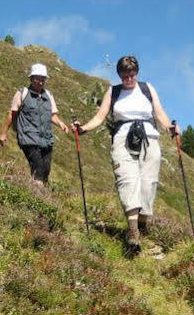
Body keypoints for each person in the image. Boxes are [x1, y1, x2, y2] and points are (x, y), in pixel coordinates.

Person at [71, 55, 179, 255]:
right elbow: (100, 117)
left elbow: (160, 113)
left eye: (132, 74)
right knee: (127, 180)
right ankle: (133, 233)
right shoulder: (113, 92)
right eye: (124, 75)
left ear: (137, 72)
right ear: (119, 75)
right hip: (122, 138)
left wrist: (170, 128)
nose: (129, 78)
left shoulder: (147, 89)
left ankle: (143, 225)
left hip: (149, 137)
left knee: (148, 183)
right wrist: (83, 129)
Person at [0, 63, 70, 187]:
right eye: (38, 79)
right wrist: (3, 133)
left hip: (46, 139)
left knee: (46, 170)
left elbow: (52, 115)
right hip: (28, 138)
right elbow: (12, 114)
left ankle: (39, 193)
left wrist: (60, 123)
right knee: (38, 168)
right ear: (31, 79)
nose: (40, 82)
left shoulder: (49, 95)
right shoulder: (22, 93)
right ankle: (37, 196)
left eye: (43, 79)